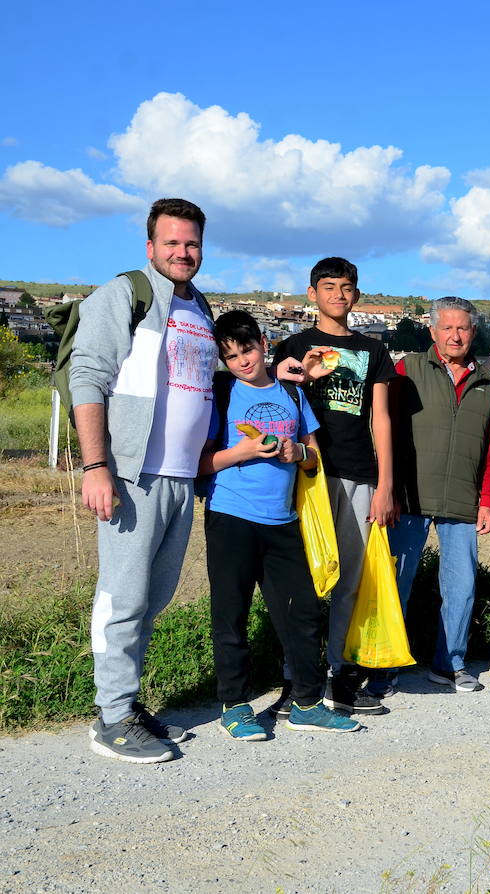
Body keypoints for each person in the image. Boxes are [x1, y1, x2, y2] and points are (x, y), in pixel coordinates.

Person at [72, 198, 216, 764]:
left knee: (151, 599)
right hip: (132, 475)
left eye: (193, 243)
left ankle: (125, 705)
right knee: (123, 596)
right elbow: (88, 377)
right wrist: (96, 465)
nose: (183, 252)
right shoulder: (123, 296)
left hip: (180, 479)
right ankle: (110, 717)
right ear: (151, 245)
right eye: (172, 242)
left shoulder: (199, 307)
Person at [200, 311, 360, 739]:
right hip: (231, 516)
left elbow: (313, 455)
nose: (242, 362)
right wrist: (245, 451)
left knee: (303, 613)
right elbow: (200, 463)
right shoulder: (220, 393)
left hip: (283, 520)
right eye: (230, 356)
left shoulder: (291, 392)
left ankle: (306, 703)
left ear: (264, 344)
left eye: (247, 350)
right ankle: (235, 706)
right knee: (231, 614)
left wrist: (295, 455)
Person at [272, 257, 396, 713]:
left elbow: (380, 418)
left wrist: (386, 484)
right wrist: (301, 375)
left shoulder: (373, 350)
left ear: (356, 295)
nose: (338, 295)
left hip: (359, 473)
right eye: (329, 286)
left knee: (349, 579)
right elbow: (275, 400)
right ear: (312, 294)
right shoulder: (294, 344)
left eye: (346, 287)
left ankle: (340, 673)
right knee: (303, 579)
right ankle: (296, 678)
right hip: (307, 473)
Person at [389, 297, 490, 693]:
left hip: (462, 500)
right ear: (432, 331)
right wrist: (389, 489)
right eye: (447, 328)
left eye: (463, 328)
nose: (455, 335)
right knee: (396, 584)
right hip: (409, 498)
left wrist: (487, 499)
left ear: (473, 333)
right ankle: (385, 667)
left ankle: (449, 663)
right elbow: (388, 432)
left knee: (462, 586)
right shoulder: (407, 369)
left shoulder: (487, 382)